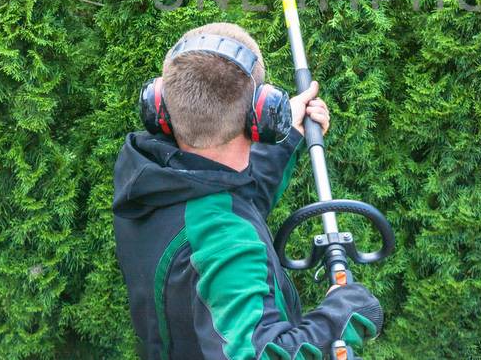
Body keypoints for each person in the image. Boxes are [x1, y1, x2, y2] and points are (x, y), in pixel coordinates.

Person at [114, 22, 382, 359]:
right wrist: (343, 316)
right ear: (262, 115)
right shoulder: (227, 248)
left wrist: (290, 137)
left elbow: (227, 198)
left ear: (159, 106)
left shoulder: (151, 179)